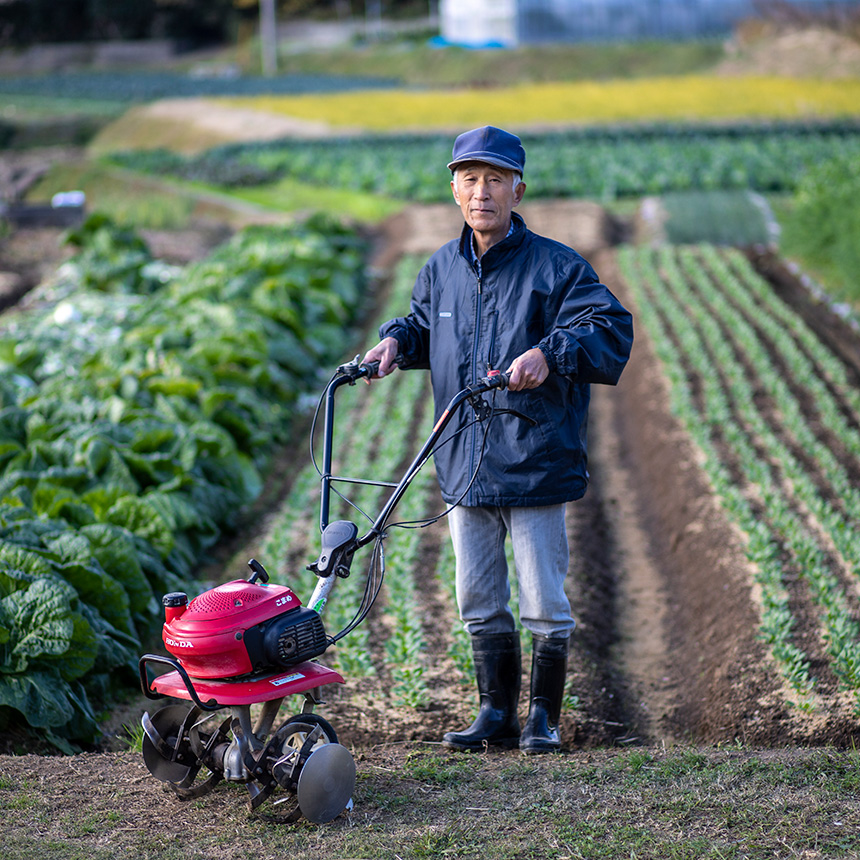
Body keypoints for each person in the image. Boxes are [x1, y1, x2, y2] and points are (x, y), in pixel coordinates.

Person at [362, 126, 633, 754]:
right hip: (464, 458)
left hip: (533, 457)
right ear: (454, 189)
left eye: (494, 179)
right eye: (470, 179)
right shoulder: (440, 268)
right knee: (478, 598)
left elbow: (609, 327)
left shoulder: (557, 267)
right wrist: (397, 340)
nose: (481, 191)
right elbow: (427, 326)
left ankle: (542, 719)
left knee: (543, 599)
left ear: (517, 188)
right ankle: (494, 714)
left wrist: (551, 351)